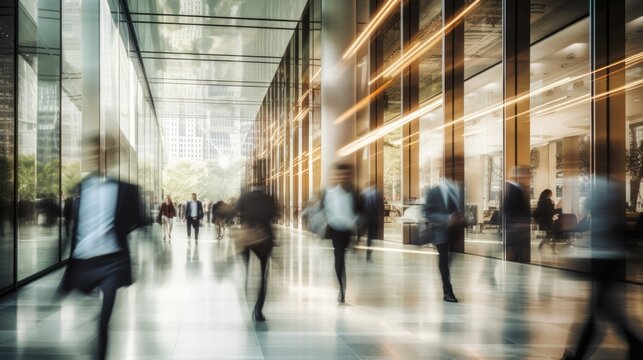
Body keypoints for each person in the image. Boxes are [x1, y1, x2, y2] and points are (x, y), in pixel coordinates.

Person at [57, 136, 141, 360]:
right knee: (86, 299)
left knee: (104, 318)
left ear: (107, 157)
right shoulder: (80, 188)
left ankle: (100, 352)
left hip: (113, 261)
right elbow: (75, 226)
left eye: (99, 153)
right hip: (85, 259)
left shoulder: (126, 189)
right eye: (91, 153)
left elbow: (140, 219)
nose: (95, 157)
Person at [563, 177, 642, 359]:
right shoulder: (606, 193)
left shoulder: (602, 191)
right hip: (607, 260)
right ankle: (636, 345)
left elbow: (599, 223)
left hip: (606, 261)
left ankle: (577, 355)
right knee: (606, 310)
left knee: (598, 310)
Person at [236, 180, 276, 322]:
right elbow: (273, 216)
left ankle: (246, 282)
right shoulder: (269, 199)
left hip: (247, 238)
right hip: (264, 239)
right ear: (263, 187)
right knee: (263, 276)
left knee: (246, 267)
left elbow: (236, 213)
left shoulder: (244, 198)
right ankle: (258, 310)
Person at [423, 178, 463, 303]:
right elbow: (427, 212)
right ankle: (448, 291)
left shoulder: (460, 190)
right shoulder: (434, 192)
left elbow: (462, 209)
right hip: (440, 231)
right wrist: (447, 218)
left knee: (448, 260)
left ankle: (446, 282)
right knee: (444, 259)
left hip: (455, 232)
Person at [323, 163, 358, 303]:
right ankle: (341, 288)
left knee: (342, 257)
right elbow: (327, 211)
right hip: (336, 230)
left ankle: (342, 286)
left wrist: (357, 230)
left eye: (346, 174)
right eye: (340, 174)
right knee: (339, 258)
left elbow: (360, 212)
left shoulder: (354, 194)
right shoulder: (330, 193)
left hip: (349, 231)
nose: (343, 177)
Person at [504, 166, 531, 263]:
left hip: (517, 227)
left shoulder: (518, 188)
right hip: (515, 227)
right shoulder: (512, 189)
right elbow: (508, 208)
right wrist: (519, 222)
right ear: (518, 176)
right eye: (525, 175)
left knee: (518, 250)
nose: (527, 177)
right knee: (515, 250)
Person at [359, 185, 381, 261]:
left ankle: (357, 243)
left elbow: (360, 205)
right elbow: (379, 206)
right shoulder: (377, 194)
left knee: (362, 232)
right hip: (373, 217)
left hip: (365, 217)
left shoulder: (363, 193)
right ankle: (368, 252)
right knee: (370, 236)